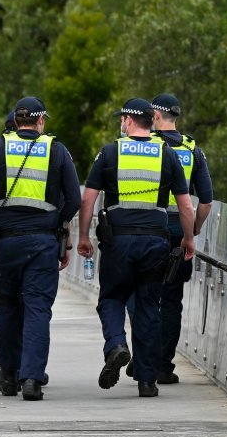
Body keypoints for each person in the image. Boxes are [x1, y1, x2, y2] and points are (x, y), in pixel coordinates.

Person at [0, 97, 81, 401]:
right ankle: (32, 380)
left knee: (6, 306)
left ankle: (8, 375)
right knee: (37, 308)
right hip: (42, 242)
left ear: (16, 120)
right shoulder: (56, 150)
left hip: (4, 243)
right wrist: (57, 225)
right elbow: (74, 199)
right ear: (40, 121)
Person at [77, 98, 195, 398]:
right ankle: (146, 380)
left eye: (122, 119)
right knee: (148, 307)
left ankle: (116, 344)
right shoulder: (167, 155)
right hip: (155, 240)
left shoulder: (110, 152)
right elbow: (185, 204)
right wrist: (188, 239)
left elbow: (88, 199)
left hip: (118, 241)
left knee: (112, 298)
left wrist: (83, 237)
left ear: (128, 122)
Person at [126, 94, 212, 384]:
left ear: (156, 117)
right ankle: (162, 365)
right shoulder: (192, 150)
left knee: (142, 297)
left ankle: (142, 360)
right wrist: (194, 230)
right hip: (179, 235)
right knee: (172, 300)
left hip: (149, 230)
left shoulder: (147, 147)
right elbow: (206, 203)